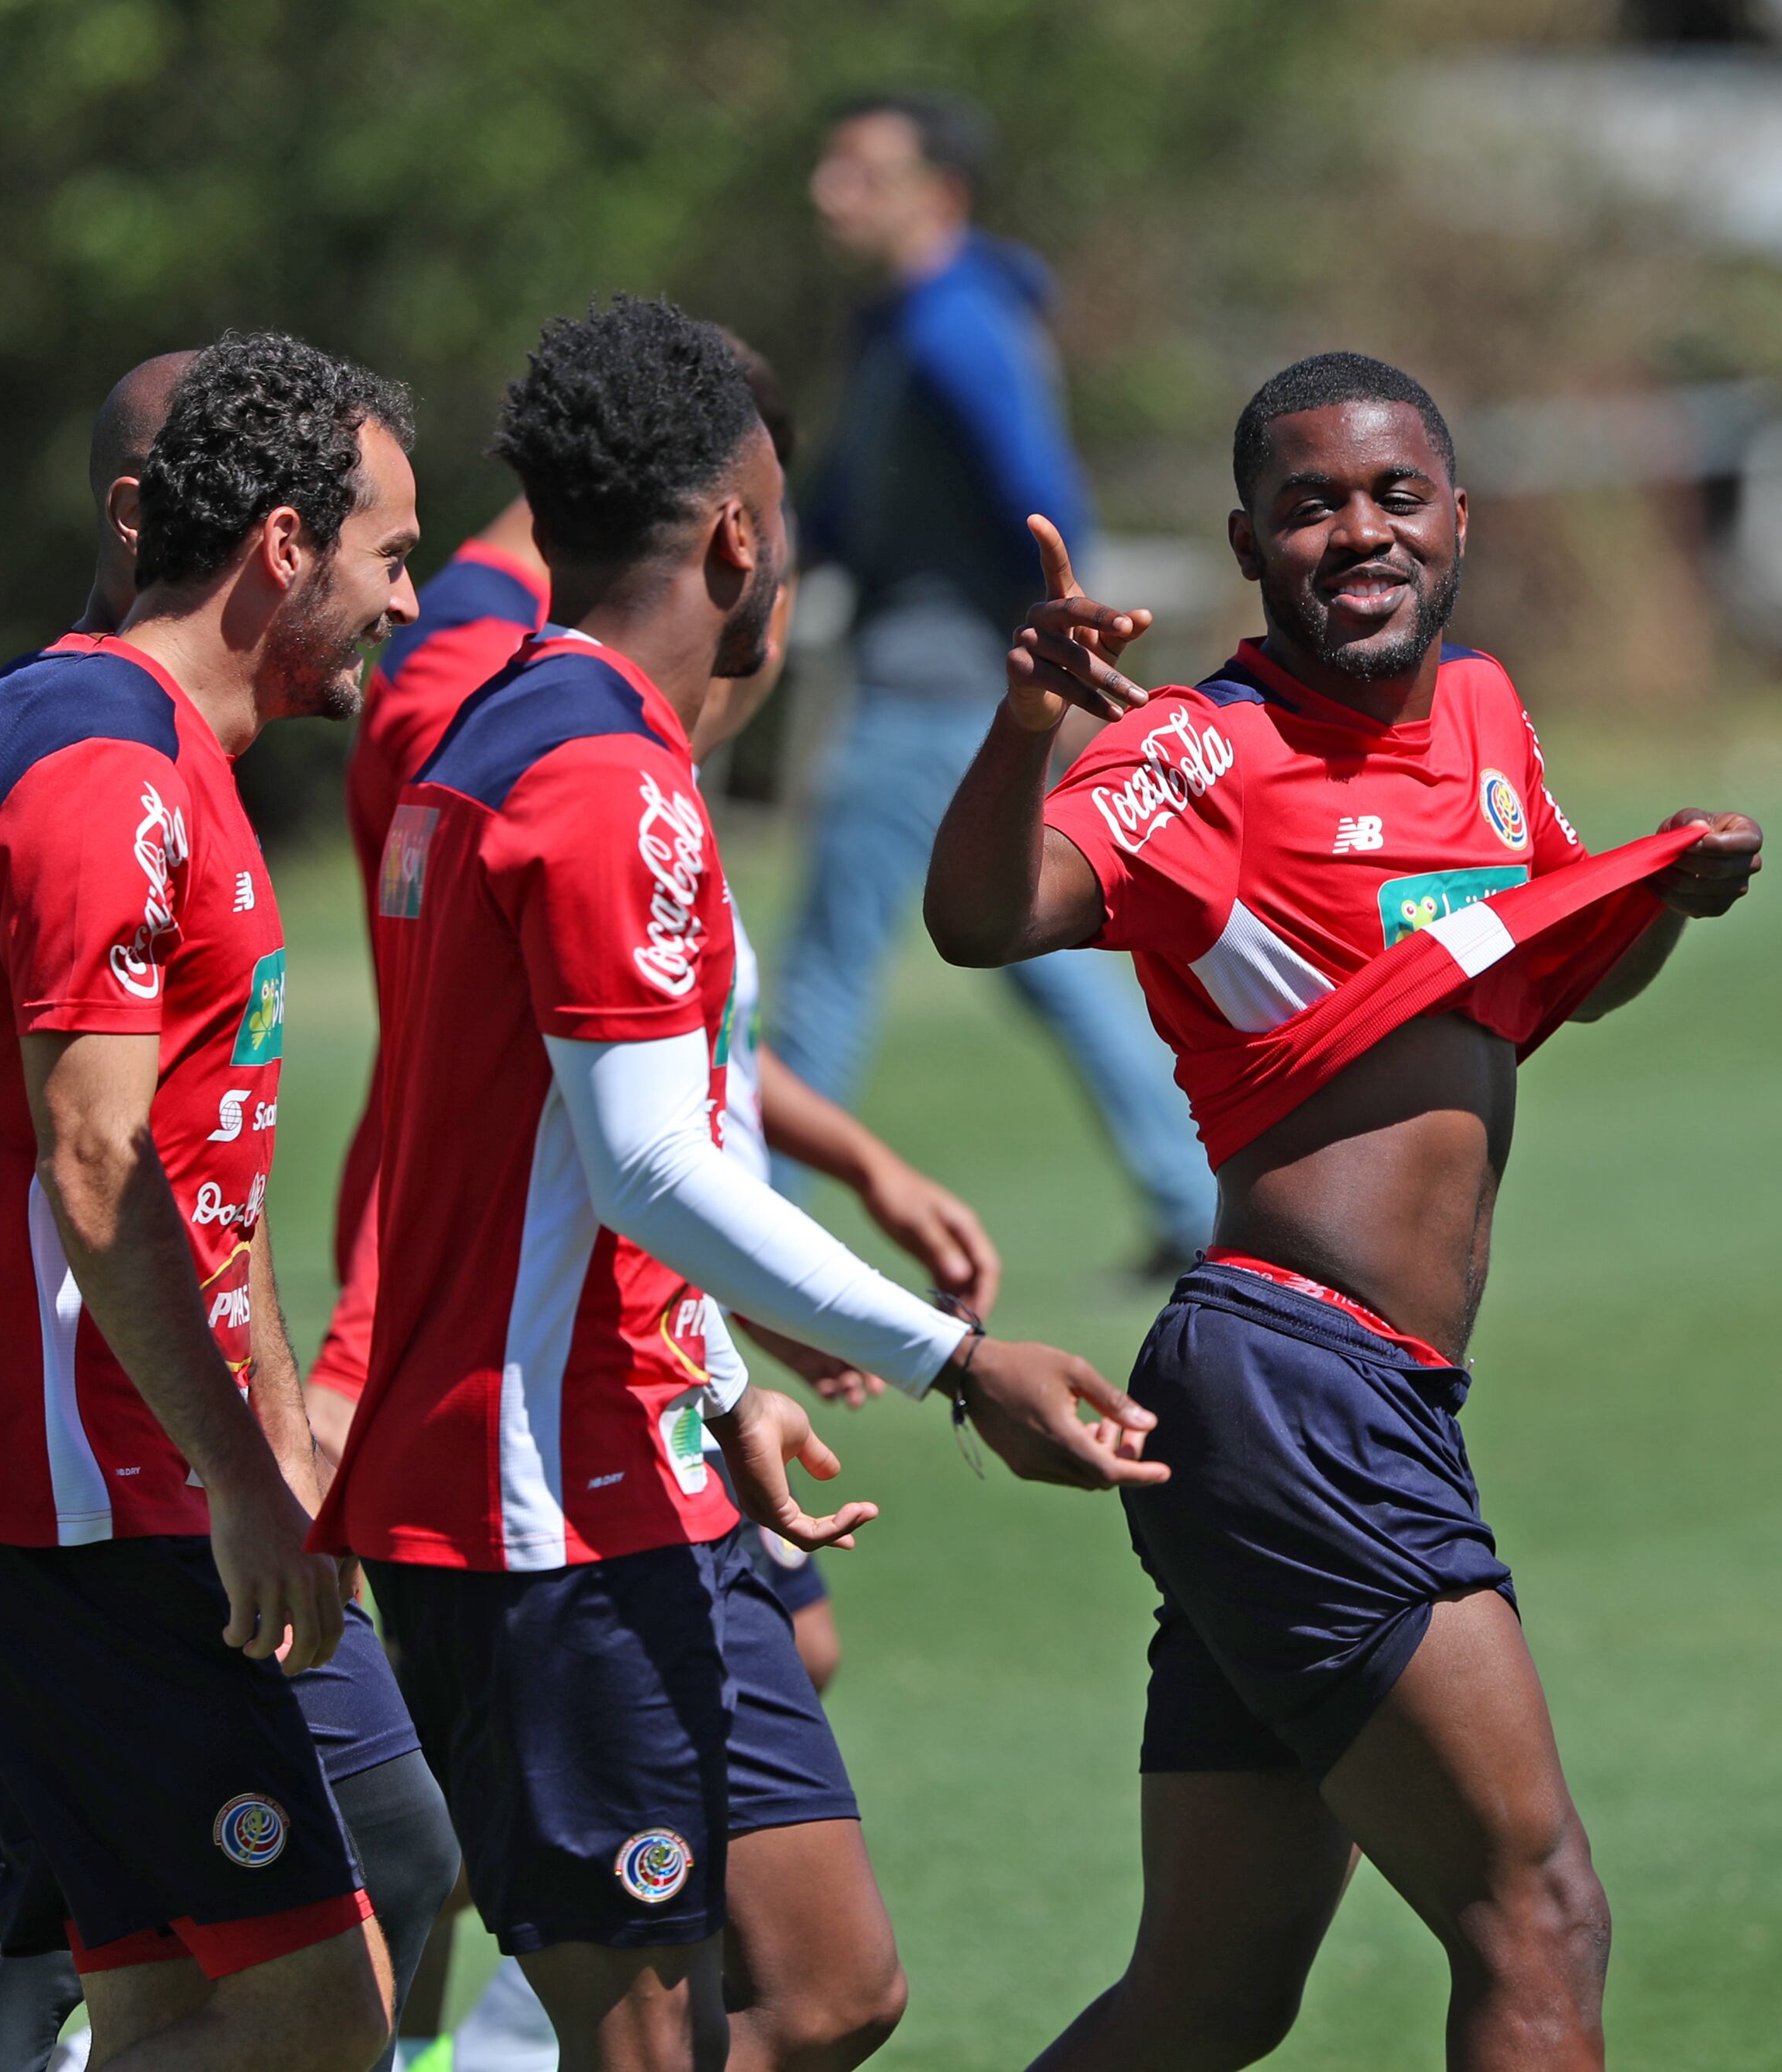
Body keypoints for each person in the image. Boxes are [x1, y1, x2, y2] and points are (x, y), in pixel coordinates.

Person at [311, 296, 1163, 2072]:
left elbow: (572, 1150)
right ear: (735, 537)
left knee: (832, 1986)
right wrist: (955, 1359)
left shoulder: (537, 732)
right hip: (531, 1510)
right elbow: (642, 1164)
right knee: (646, 2042)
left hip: (642, 1456)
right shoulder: (589, 773)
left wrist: (709, 1376)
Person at [923, 350, 1766, 2072]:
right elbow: (983, 919)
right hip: (1298, 1388)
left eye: (1395, 495)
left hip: (1341, 1399)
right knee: (1538, 1916)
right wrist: (1025, 725)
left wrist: (1661, 900)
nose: (1359, 532)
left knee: (1212, 1995)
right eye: (1310, 505)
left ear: (1458, 518)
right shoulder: (1197, 750)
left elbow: (1541, 977)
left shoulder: (1488, 718)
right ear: (1250, 545)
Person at [0, 350, 461, 2072]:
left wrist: (277, 1447)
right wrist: (236, 1480)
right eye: (389, 555)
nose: (405, 604)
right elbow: (97, 1160)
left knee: (169, 2008)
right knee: (321, 2020)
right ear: (282, 547)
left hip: (111, 1485)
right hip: (77, 1505)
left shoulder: (134, 746)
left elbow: (206, 1176)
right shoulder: (97, 768)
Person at [778, 90, 1213, 1271]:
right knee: (1031, 954)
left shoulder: (957, 329)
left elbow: (1045, 509)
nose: (830, 192)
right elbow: (842, 516)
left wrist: (1057, 677)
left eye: (863, 172)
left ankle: (736, 1234)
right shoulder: (897, 325)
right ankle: (1197, 1199)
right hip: (933, 690)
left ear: (942, 195)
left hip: (931, 699)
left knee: (821, 977)